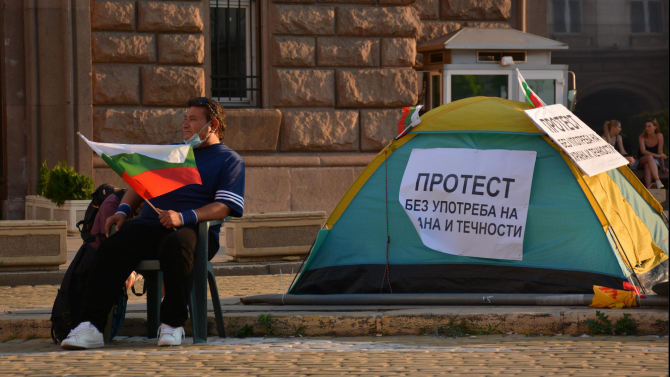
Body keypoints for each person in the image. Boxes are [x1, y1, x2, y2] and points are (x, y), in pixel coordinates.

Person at [60, 97, 245, 349]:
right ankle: (90, 326)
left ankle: (172, 325)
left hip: (193, 232)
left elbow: (224, 206)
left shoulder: (229, 160)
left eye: (193, 119)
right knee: (112, 247)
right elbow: (140, 183)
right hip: (149, 226)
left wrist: (183, 217)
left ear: (212, 125)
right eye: (184, 118)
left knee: (176, 247)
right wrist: (123, 211)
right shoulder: (171, 153)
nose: (185, 125)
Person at [638, 118, 667, 189]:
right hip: (642, 159)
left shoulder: (659, 136)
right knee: (649, 157)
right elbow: (643, 151)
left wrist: (663, 167)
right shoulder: (642, 137)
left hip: (654, 162)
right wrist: (658, 155)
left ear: (655, 127)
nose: (647, 128)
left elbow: (660, 151)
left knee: (647, 165)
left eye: (649, 126)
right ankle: (657, 179)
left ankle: (648, 188)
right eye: (646, 126)